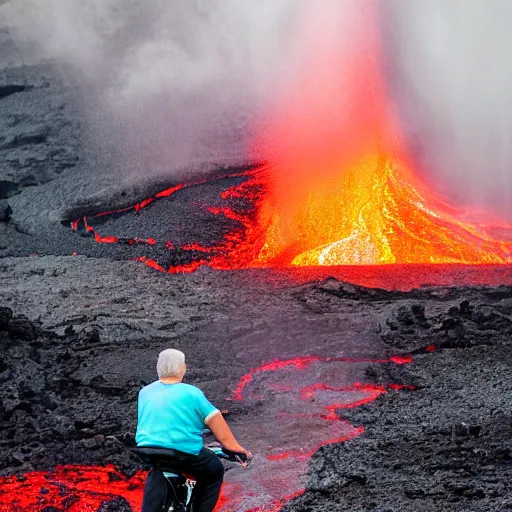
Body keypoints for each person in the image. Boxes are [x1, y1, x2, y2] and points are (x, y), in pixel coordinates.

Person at [136, 348, 251, 512]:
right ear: (182, 369)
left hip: (148, 449)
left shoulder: (145, 392)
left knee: (158, 469)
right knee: (214, 471)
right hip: (182, 452)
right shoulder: (191, 392)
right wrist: (236, 448)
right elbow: (214, 418)